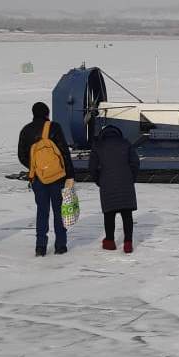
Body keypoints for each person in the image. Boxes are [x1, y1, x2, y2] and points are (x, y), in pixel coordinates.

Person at [18, 102, 75, 256]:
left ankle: (40, 246)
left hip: (38, 179)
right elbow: (64, 152)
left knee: (42, 211)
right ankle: (60, 245)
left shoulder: (26, 130)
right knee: (58, 210)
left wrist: (36, 167)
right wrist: (69, 174)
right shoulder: (54, 127)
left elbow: (21, 155)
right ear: (46, 113)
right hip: (57, 177)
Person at [88, 124, 140, 253]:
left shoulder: (98, 146)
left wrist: (99, 180)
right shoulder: (126, 144)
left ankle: (110, 241)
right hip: (126, 183)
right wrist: (131, 178)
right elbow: (135, 163)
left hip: (107, 183)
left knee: (109, 214)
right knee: (127, 214)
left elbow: (92, 167)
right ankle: (128, 243)